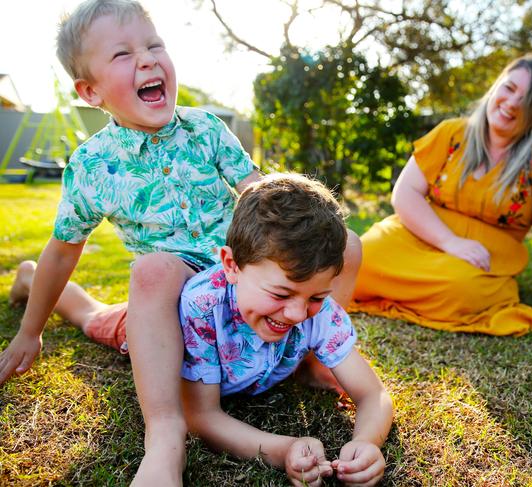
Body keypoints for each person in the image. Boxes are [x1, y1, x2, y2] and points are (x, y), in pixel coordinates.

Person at [0, 2, 362, 485]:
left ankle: (308, 357)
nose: (148, 60)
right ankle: (166, 434)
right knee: (116, 302)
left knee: (347, 244)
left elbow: (259, 194)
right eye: (123, 54)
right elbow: (65, 248)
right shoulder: (91, 166)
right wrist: (29, 330)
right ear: (90, 92)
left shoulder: (207, 129)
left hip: (246, 279)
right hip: (170, 305)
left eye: (154, 46)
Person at [8, 174, 393, 486]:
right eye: (282, 293)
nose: (296, 313)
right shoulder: (201, 307)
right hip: (157, 329)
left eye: (315, 297)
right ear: (231, 265)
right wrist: (285, 447)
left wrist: (366, 442)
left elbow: (373, 393)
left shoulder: (314, 307)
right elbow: (201, 416)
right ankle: (29, 276)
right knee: (92, 317)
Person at [349, 53, 532, 336]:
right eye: (509, 88)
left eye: (527, 101)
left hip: (481, 258)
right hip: (420, 234)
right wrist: (450, 241)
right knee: (360, 258)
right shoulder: (451, 133)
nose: (511, 103)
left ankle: (431, 292)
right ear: (496, 86)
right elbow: (405, 193)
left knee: (461, 289)